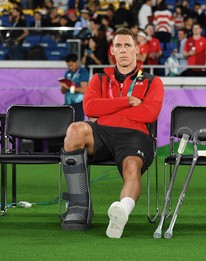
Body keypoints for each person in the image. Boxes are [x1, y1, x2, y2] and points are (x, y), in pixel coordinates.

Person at [59, 28, 165, 239]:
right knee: (75, 129)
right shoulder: (99, 78)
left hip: (135, 134)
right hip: (101, 133)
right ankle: (79, 207)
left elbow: (149, 113)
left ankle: (121, 212)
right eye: (118, 46)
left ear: (137, 49)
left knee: (132, 168)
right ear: (112, 51)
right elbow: (90, 108)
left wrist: (106, 108)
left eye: (127, 45)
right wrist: (126, 101)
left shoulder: (153, 81)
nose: (123, 50)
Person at [60, 53, 89, 121]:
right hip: (67, 103)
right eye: (68, 66)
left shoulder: (83, 72)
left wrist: (68, 88)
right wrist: (63, 87)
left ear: (76, 62)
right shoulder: (67, 73)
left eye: (71, 65)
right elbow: (63, 91)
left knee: (77, 125)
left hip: (78, 104)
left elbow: (83, 90)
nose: (70, 67)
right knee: (66, 125)